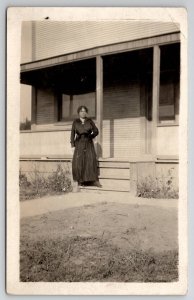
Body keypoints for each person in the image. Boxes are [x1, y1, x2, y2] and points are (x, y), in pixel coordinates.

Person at [70, 105, 101, 187]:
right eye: (81, 111)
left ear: (86, 112)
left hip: (88, 143)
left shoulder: (89, 121)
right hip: (79, 143)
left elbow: (96, 131)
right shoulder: (75, 122)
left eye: (84, 111)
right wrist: (72, 145)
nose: (83, 113)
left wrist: (91, 136)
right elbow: (72, 133)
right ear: (78, 113)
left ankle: (92, 181)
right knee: (79, 162)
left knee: (89, 160)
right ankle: (81, 181)